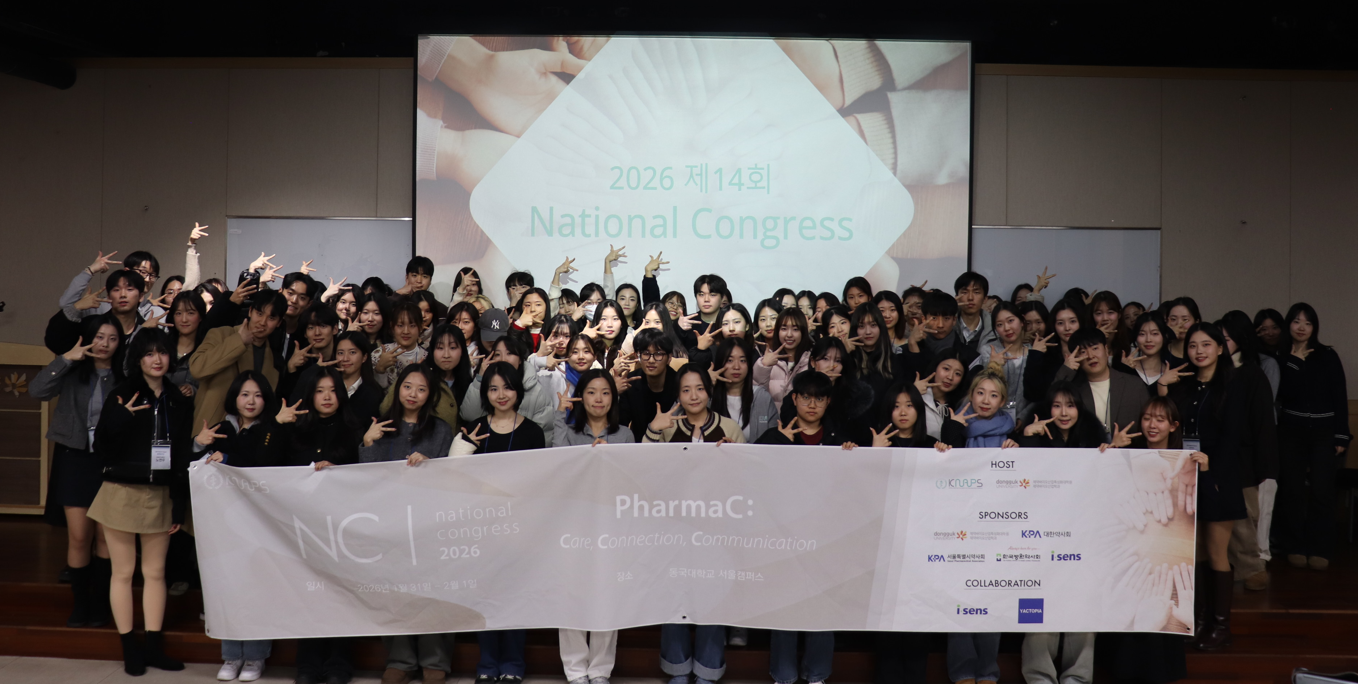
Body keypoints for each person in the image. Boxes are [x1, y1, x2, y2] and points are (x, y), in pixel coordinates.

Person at [1158, 322, 1276, 650]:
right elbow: (1168, 421)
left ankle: (1221, 627)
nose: (1199, 351)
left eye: (1206, 344)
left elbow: (1233, 436)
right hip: (1186, 477)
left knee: (1216, 552)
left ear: (1220, 348)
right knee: (1193, 554)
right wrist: (1163, 387)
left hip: (1219, 476)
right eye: (1193, 345)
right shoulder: (1185, 385)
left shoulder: (1234, 384)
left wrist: (1214, 472)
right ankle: (1197, 621)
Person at [88, 330, 191, 676]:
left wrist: (179, 503)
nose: (157, 359)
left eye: (162, 352)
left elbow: (180, 457)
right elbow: (101, 447)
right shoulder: (122, 393)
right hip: (121, 490)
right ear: (138, 359)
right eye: (148, 353)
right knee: (123, 572)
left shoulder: (177, 399)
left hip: (160, 493)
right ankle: (129, 648)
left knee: (156, 573)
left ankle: (154, 648)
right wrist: (121, 417)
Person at [450, 362, 545, 684]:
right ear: (485, 393)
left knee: (516, 596)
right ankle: (487, 664)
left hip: (520, 528)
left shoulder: (533, 432)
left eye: (507, 387)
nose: (501, 394)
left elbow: (539, 482)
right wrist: (465, 445)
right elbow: (454, 478)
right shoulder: (474, 428)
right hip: (481, 527)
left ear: (518, 391)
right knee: (486, 596)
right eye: (493, 388)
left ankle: (513, 664)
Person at [359, 364, 455, 684]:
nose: (413, 394)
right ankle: (400, 659)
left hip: (428, 524)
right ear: (397, 389)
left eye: (421, 389)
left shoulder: (441, 429)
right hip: (389, 523)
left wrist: (432, 466)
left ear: (430, 395)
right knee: (394, 592)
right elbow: (365, 480)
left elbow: (452, 477)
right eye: (407, 386)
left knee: (430, 591)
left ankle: (434, 660)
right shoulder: (381, 425)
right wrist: (368, 444)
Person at [30, 314, 123, 629]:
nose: (105, 344)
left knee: (106, 537)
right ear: (89, 338)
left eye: (112, 338)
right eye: (100, 337)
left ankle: (101, 605)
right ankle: (80, 604)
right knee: (79, 536)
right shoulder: (72, 370)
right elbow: (37, 391)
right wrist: (66, 358)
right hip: (75, 458)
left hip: (111, 462)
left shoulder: (124, 376)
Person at [1009, 382, 1105, 684]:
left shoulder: (1095, 438)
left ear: (1080, 408)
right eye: (1057, 405)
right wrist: (1027, 437)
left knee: (1082, 607)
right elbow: (1018, 478)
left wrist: (1113, 454)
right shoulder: (1030, 435)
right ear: (1046, 408)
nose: (1064, 413)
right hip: (1037, 537)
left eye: (1070, 405)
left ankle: (1078, 676)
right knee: (1037, 606)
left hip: (1083, 537)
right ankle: (1039, 676)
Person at [1096, 396, 1195, 684]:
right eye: (1147, 418)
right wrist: (1110, 453)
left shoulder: (1186, 462)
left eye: (1160, 419)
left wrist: (1204, 468)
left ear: (1173, 425)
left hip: (1172, 558)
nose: (1152, 425)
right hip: (1127, 553)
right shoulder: (1126, 456)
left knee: (1158, 614)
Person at [275, 367, 363, 684]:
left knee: (341, 595)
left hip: (343, 525)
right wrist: (275, 425)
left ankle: (339, 663)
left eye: (332, 390)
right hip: (303, 525)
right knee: (309, 594)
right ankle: (308, 664)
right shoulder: (295, 428)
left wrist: (338, 471)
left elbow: (368, 476)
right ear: (310, 395)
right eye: (320, 390)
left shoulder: (355, 429)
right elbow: (269, 466)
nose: (327, 397)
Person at [195, 371, 282, 682]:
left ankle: (256, 657)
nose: (251, 401)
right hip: (223, 523)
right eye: (245, 394)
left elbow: (264, 462)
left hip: (260, 522)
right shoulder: (220, 429)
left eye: (258, 395)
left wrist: (229, 458)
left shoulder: (273, 429)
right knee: (228, 587)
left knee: (258, 588)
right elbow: (191, 467)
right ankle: (231, 656)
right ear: (234, 397)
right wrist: (198, 444)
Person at [1275, 303, 1349, 571]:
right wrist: (1294, 362)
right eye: (1296, 321)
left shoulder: (1327, 355)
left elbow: (1339, 395)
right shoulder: (1281, 358)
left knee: (1322, 490)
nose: (1302, 327)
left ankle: (1320, 548)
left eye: (1308, 323)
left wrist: (1341, 434)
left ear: (1314, 327)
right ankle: (1294, 546)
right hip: (1291, 432)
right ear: (1289, 325)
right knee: (1292, 490)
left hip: (1323, 432)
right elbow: (1283, 393)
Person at [188, 290, 286, 433]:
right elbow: (197, 369)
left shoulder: (274, 359)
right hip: (210, 432)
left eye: (271, 318)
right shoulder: (221, 334)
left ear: (279, 323)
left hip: (249, 438)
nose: (263, 322)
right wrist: (239, 341)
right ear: (250, 311)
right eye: (259, 313)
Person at [1050, 328, 1153, 439]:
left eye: (1095, 348)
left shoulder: (1134, 385)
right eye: (1083, 352)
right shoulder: (1073, 389)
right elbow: (1050, 405)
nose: (1091, 356)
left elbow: (1149, 422)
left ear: (1106, 350)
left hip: (1129, 448)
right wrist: (1066, 370)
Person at [460, 334, 556, 444]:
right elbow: (469, 415)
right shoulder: (486, 385)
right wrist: (480, 379)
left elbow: (543, 435)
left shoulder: (537, 392)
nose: (503, 359)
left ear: (520, 359)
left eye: (509, 353)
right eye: (497, 354)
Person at [644, 363, 744, 443]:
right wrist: (653, 429)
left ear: (709, 390)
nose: (694, 397)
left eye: (700, 389)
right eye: (686, 390)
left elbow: (745, 461)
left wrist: (734, 453)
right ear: (678, 395)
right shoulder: (668, 429)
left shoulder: (730, 428)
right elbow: (647, 460)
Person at [970, 301, 1032, 423]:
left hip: (1025, 420)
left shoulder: (1033, 353)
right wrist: (991, 365)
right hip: (990, 419)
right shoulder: (988, 350)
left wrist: (1023, 417)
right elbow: (976, 387)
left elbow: (1038, 393)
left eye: (1010, 321)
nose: (1006, 328)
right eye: (999, 324)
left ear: (1022, 321)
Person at [710, 337, 780, 443]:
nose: (736, 367)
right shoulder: (707, 396)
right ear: (720, 362)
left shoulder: (762, 397)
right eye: (730, 360)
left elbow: (774, 438)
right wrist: (704, 383)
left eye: (742, 360)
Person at [619, 329, 680, 442]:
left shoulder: (680, 383)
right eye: (646, 354)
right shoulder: (630, 382)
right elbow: (620, 425)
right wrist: (614, 392)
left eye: (658, 354)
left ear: (669, 357)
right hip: (640, 446)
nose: (651, 360)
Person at [753, 308, 813, 405]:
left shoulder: (812, 361)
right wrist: (764, 367)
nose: (789, 335)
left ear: (803, 332)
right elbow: (757, 396)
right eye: (784, 329)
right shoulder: (765, 362)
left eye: (795, 329)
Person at [372, 301, 428, 389]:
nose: (406, 331)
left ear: (420, 327)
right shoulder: (378, 354)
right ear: (392, 327)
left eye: (412, 326)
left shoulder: (427, 357)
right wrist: (380, 369)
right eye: (400, 325)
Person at [1125, 311, 1182, 387]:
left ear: (1164, 336)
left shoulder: (1172, 374)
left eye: (1155, 333)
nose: (1148, 340)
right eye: (1142, 334)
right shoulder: (1124, 370)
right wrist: (1125, 369)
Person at [953, 271, 996, 351]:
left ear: (985, 299)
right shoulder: (947, 325)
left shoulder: (995, 327)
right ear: (957, 298)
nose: (970, 298)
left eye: (976, 292)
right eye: (965, 292)